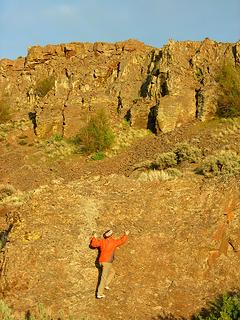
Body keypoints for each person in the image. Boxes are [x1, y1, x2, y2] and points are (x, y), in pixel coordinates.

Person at [90, 229, 129, 299]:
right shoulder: (113, 242)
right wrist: (125, 235)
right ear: (111, 235)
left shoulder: (102, 241)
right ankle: (99, 294)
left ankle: (105, 284)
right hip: (107, 262)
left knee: (112, 272)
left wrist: (94, 237)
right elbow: (121, 241)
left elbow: (93, 244)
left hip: (101, 261)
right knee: (103, 278)